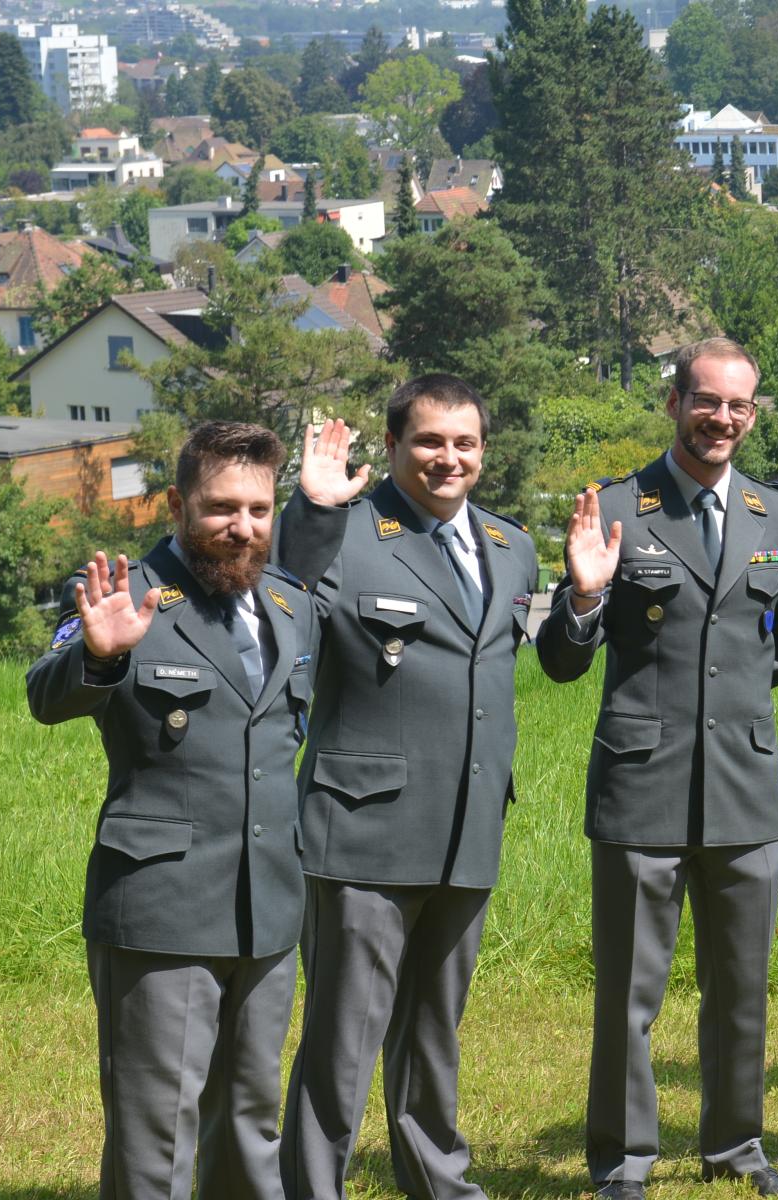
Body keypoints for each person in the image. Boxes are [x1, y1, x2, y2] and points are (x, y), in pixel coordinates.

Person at [537, 338, 778, 1200]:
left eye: (739, 405)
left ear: (754, 413)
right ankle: (622, 1163)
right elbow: (559, 660)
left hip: (743, 784)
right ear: (673, 403)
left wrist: (723, 706)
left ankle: (737, 1148)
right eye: (706, 401)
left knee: (742, 988)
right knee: (630, 993)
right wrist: (584, 597)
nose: (722, 419)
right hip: (641, 786)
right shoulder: (621, 507)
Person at [26, 420, 316, 1200]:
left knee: (253, 1123)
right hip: (163, 907)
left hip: (269, 907)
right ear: (179, 505)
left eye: (258, 510)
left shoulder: (290, 604)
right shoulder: (125, 593)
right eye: (221, 507)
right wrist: (98, 656)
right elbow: (45, 696)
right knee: (155, 1135)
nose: (241, 527)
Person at [272, 380, 542, 1200]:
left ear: (483, 452)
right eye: (429, 442)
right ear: (392, 447)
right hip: (364, 832)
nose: (447, 459)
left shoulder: (512, 545)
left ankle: (438, 1182)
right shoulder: (345, 535)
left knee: (434, 1032)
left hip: (466, 826)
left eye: (464, 443)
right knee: (343, 1039)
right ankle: (312, 1187)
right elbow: (282, 597)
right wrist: (312, 511)